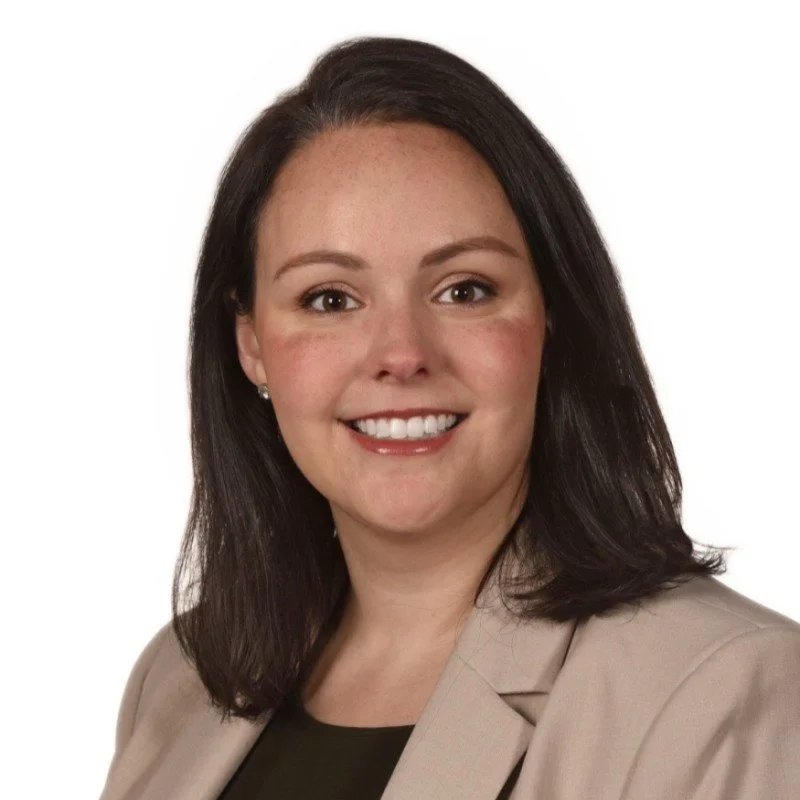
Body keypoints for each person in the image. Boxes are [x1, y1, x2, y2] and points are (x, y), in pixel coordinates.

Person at [99, 36, 800, 800]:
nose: (401, 355)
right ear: (252, 345)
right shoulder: (178, 678)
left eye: (464, 289)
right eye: (329, 299)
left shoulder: (730, 690)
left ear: (550, 314)